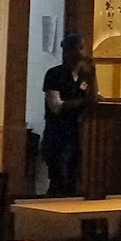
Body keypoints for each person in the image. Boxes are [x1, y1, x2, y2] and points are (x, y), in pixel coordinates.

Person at [42, 35, 98, 195]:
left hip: (77, 136)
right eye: (78, 49)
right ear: (67, 52)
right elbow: (56, 106)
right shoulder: (54, 74)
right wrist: (84, 102)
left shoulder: (84, 76)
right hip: (57, 136)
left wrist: (92, 75)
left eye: (82, 49)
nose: (82, 53)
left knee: (74, 179)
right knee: (59, 179)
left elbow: (93, 98)